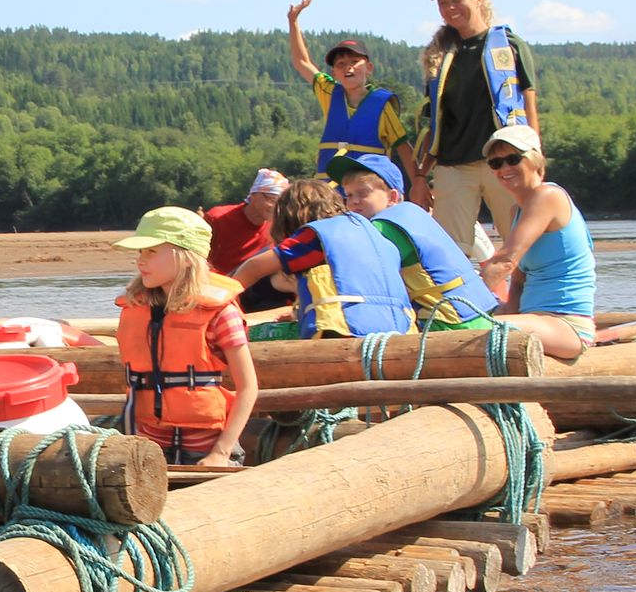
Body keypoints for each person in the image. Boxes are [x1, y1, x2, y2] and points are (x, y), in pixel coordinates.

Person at [113, 208, 261, 466]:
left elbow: (249, 387)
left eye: (151, 251)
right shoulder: (135, 308)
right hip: (148, 449)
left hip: (205, 450)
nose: (140, 261)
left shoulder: (221, 314)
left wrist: (221, 453)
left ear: (186, 257)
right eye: (140, 252)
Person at [416, 0, 541, 262]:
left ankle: (529, 304)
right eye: (443, 3)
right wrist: (421, 175)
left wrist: (535, 157)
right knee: (447, 250)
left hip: (505, 160)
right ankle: (457, 307)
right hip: (453, 164)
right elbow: (434, 124)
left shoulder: (510, 45)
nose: (449, 8)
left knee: (521, 241)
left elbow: (529, 106)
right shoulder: (439, 55)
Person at [326, 154, 500, 330]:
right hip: (478, 311)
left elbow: (358, 273)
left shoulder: (383, 228)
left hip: (447, 319)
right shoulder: (414, 213)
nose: (354, 201)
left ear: (392, 197)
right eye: (348, 195)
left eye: (363, 193)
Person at [231, 180, 418, 339]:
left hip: (348, 332)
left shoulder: (317, 235)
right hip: (401, 330)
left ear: (292, 217)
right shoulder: (370, 232)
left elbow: (254, 267)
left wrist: (221, 300)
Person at [478, 125, 597, 359]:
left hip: (566, 325)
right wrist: (504, 312)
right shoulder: (517, 211)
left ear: (534, 160)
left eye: (513, 159)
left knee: (468, 330)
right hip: (535, 318)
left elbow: (505, 262)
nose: (504, 168)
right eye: (496, 163)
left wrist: (459, 308)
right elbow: (519, 281)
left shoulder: (547, 196)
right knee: (465, 329)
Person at [286, 0, 417, 178]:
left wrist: (418, 182)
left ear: (369, 68)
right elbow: (301, 63)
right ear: (335, 72)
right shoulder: (329, 93)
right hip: (330, 191)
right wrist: (293, 22)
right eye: (341, 64)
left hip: (367, 187)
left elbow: (403, 146)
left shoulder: (381, 105)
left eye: (355, 62)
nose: (348, 67)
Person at [203, 168, 287, 280]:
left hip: (251, 289)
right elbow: (196, 257)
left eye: (281, 203)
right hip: (214, 284)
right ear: (253, 195)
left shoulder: (277, 228)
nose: (276, 207)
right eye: (272, 200)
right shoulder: (218, 218)